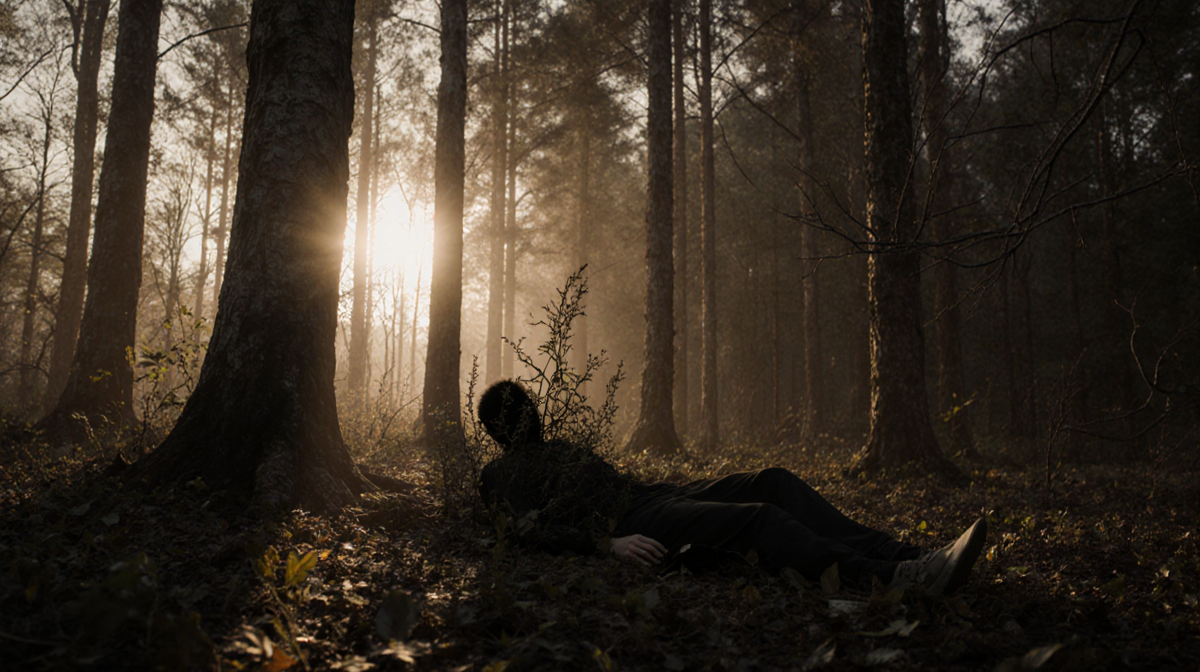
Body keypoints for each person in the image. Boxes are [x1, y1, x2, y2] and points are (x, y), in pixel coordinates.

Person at [477, 380, 987, 596]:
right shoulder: (499, 476)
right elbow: (528, 529)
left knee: (773, 481)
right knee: (759, 519)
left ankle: (917, 553)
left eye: (529, 406)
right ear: (505, 428)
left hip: (652, 495)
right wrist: (606, 544)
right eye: (520, 413)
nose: (532, 415)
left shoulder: (563, 448)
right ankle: (899, 576)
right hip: (633, 523)